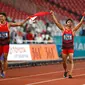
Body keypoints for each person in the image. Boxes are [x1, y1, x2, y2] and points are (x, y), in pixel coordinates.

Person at [50, 11, 84, 78]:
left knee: (71, 60)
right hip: (64, 48)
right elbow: (56, 23)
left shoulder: (73, 30)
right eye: (68, 22)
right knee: (64, 62)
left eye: (71, 22)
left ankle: (70, 73)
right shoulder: (63, 29)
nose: (70, 23)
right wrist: (52, 15)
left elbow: (80, 23)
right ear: (66, 23)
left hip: (70, 48)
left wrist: (83, 16)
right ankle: (65, 71)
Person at [0, 12, 30, 78]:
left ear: (5, 17)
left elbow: (20, 24)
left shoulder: (8, 24)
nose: (0, 18)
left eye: (2, 16)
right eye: (0, 16)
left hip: (6, 44)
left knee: (5, 57)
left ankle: (4, 72)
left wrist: (26, 20)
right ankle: (1, 70)